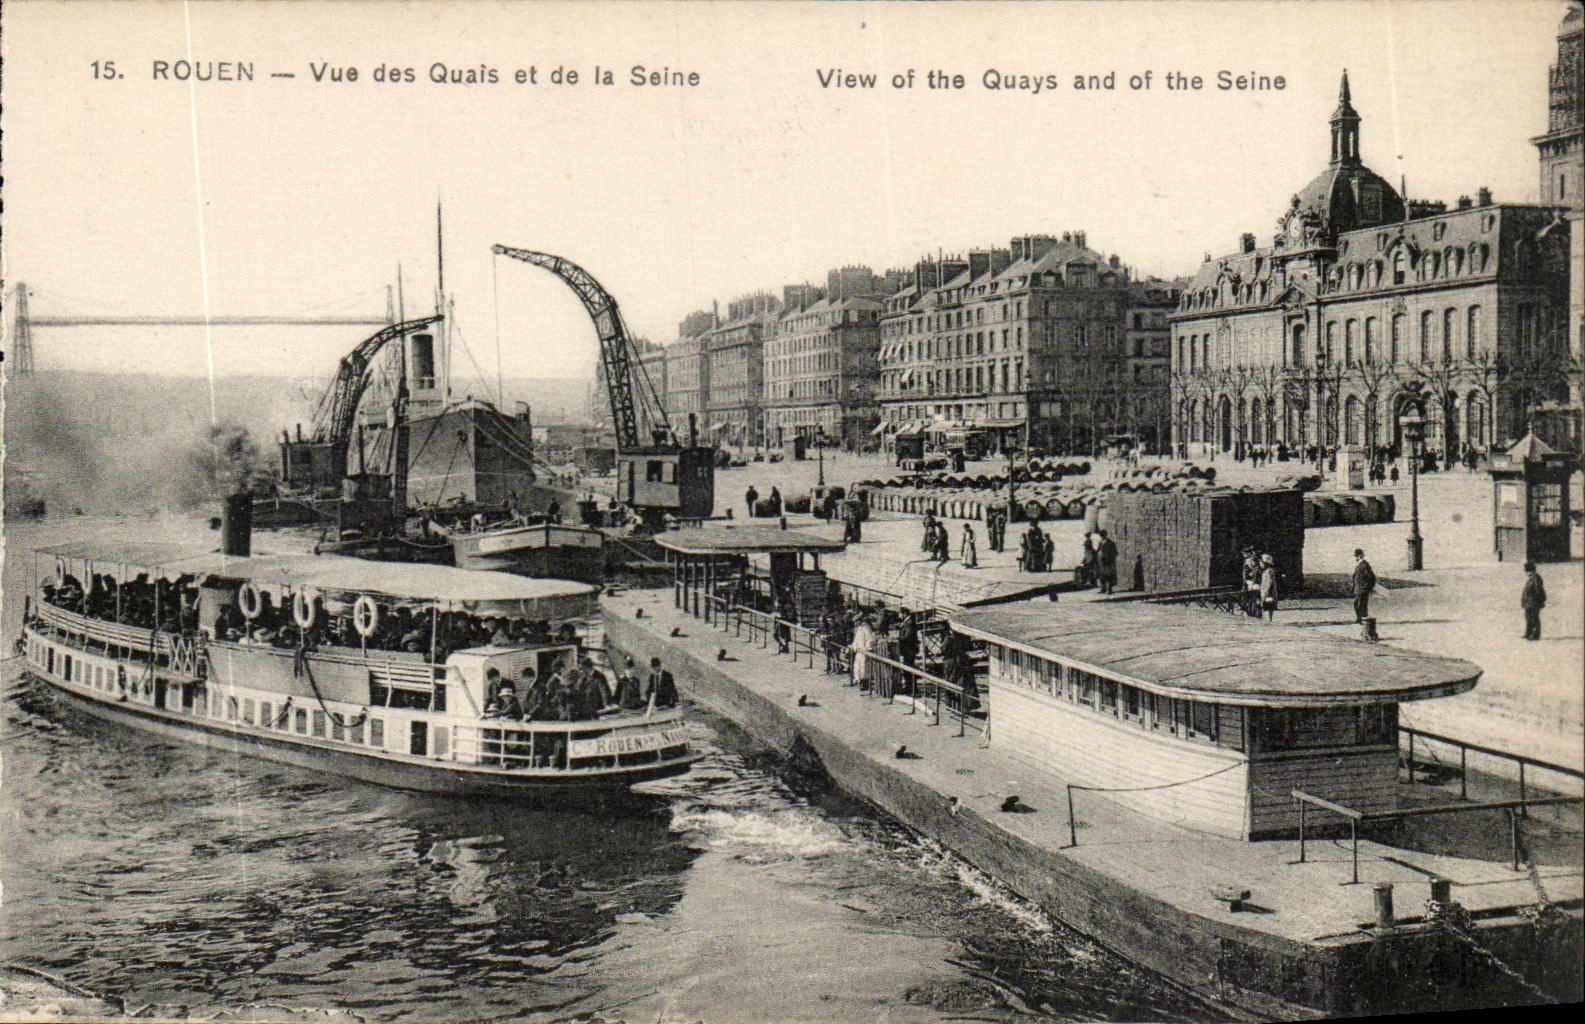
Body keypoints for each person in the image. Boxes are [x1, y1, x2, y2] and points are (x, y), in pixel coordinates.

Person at [1350, 548, 1377, 624]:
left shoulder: (1364, 565)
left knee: (1361, 605)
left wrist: (1367, 587)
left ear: (1360, 556)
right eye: (1356, 556)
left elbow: (1371, 577)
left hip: (1362, 589)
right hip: (1358, 589)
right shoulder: (1359, 565)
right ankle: (1360, 619)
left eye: (1357, 556)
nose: (1356, 558)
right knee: (1358, 604)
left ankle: (1363, 620)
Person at [1521, 562, 1547, 641]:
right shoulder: (1531, 578)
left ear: (1532, 570)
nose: (1526, 573)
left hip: (1534, 602)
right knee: (1528, 617)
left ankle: (1535, 635)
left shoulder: (1536, 578)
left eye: (1528, 571)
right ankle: (1528, 633)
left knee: (1534, 618)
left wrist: (1540, 601)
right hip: (1529, 602)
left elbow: (1539, 590)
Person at [1096, 530, 1118, 594]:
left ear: (1105, 535)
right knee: (1102, 576)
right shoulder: (1100, 542)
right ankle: (1103, 588)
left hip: (1108, 562)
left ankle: (1109, 589)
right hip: (1101, 562)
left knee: (1109, 576)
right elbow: (1098, 550)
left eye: (1103, 535)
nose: (1102, 536)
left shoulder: (1110, 543)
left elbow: (1115, 552)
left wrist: (1109, 558)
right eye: (1101, 535)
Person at [1259, 553, 1278, 622]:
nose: (1260, 565)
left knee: (1268, 603)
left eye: (1261, 563)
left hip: (1268, 589)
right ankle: (1268, 618)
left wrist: (1267, 589)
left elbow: (1269, 581)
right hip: (1266, 589)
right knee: (1267, 604)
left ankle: (1269, 618)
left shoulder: (1268, 571)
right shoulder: (1266, 571)